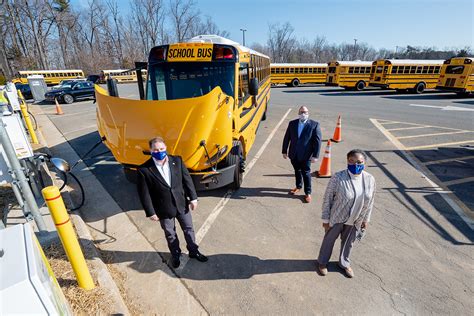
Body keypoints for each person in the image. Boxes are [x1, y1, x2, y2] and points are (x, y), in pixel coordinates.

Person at [137, 137, 208, 269]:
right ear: (151, 151)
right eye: (156, 149)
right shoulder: (144, 170)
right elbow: (144, 194)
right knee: (170, 233)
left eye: (162, 149)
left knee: (188, 229)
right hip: (163, 208)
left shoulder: (177, 161)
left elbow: (187, 180)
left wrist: (193, 198)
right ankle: (175, 254)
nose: (159, 151)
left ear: (166, 148)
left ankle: (194, 251)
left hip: (182, 203)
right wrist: (150, 212)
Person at [317, 149, 376, 278]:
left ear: (364, 163)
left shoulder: (370, 179)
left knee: (349, 243)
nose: (355, 165)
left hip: (356, 219)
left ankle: (344, 263)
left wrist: (366, 220)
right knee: (329, 240)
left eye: (359, 162)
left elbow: (370, 201)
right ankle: (322, 263)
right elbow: (327, 199)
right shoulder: (338, 177)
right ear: (347, 161)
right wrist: (326, 220)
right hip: (337, 217)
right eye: (352, 161)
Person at [282, 106, 322, 203]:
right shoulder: (292, 123)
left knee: (306, 173)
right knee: (297, 170)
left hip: (306, 155)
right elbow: (287, 137)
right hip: (294, 153)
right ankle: (298, 186)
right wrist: (284, 151)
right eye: (301, 112)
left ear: (308, 113)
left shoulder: (314, 125)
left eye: (305, 112)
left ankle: (308, 192)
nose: (303, 114)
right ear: (298, 113)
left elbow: (317, 142)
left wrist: (315, 155)